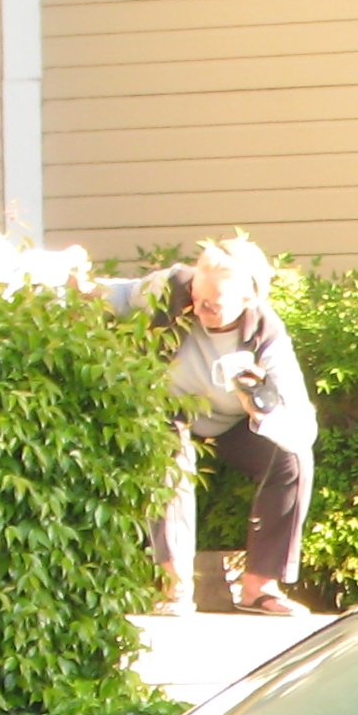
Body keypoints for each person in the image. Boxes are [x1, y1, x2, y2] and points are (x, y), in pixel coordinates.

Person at [90, 235, 318, 616]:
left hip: (229, 420)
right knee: (168, 459)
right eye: (198, 295)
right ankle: (175, 587)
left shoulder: (267, 336)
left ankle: (260, 587)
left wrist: (260, 405)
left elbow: (302, 429)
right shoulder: (172, 287)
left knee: (292, 459)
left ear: (249, 300)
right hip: (167, 409)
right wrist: (81, 288)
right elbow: (122, 294)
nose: (199, 308)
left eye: (214, 305)